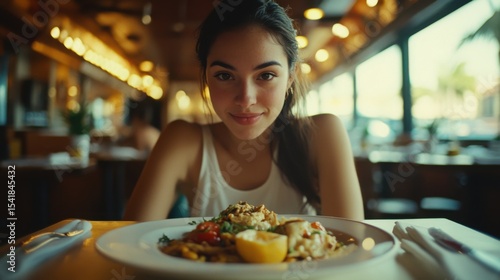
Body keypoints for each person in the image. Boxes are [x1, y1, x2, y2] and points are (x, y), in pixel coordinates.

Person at [124, 0, 364, 221]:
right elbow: (130, 245)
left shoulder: (321, 134)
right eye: (225, 76)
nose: (246, 99)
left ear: (290, 78)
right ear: (207, 78)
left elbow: (352, 245)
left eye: (266, 75)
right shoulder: (182, 142)